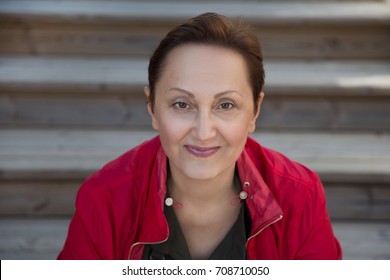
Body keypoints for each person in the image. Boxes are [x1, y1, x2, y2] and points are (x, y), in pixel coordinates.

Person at [57, 12, 342, 260]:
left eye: (225, 105)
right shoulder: (105, 199)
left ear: (255, 111)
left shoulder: (299, 195)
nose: (204, 132)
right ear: (152, 108)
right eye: (182, 104)